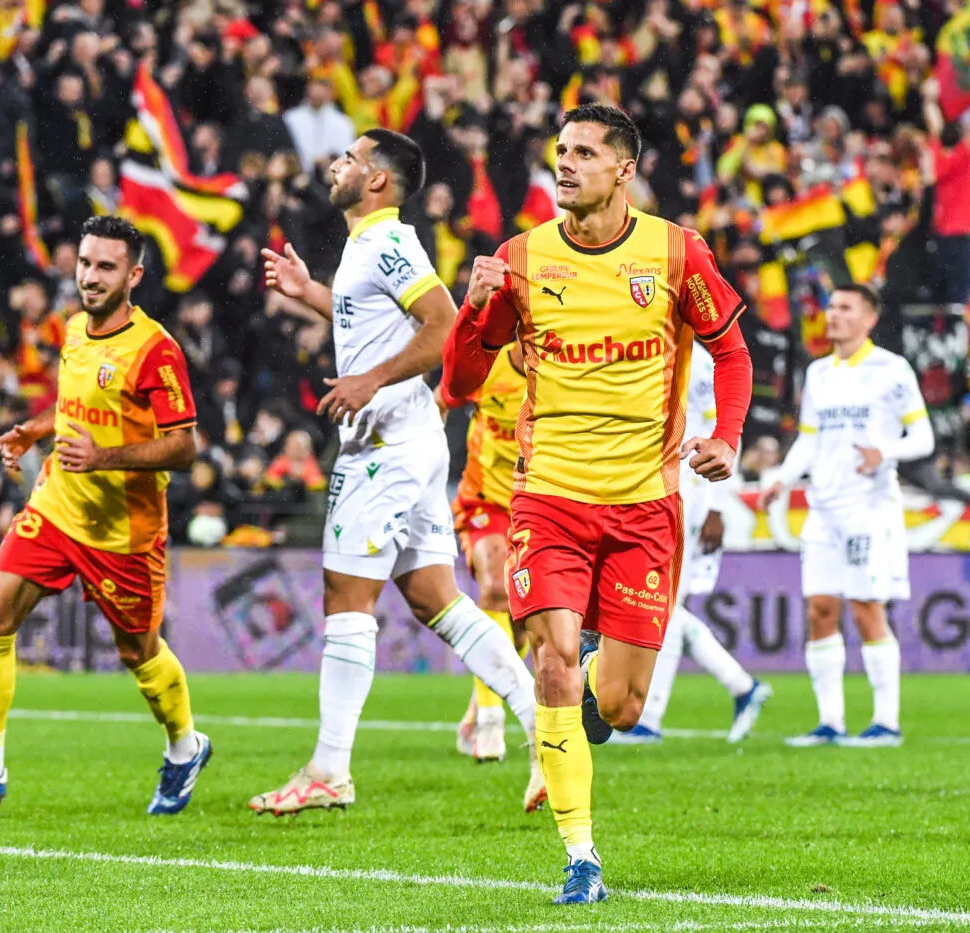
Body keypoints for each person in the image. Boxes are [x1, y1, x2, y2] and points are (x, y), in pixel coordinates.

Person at [442, 104, 754, 905]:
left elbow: (731, 346)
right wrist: (477, 308)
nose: (565, 163)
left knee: (617, 701)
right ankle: (581, 856)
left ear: (624, 169)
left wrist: (731, 434)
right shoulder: (519, 258)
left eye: (584, 152)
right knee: (548, 656)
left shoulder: (676, 251)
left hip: (646, 505)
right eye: (560, 151)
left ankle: (585, 689)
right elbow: (461, 384)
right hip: (548, 500)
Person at [251, 129, 543, 816]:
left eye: (351, 158)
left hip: (383, 442)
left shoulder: (387, 240)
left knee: (345, 595)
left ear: (378, 179)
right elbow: (374, 322)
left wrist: (368, 380)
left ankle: (329, 768)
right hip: (410, 439)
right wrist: (312, 296)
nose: (336, 165)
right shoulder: (367, 246)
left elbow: (444, 325)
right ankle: (544, 724)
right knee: (435, 598)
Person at [0, 216, 213, 815]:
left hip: (123, 530)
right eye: (84, 263)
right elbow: (74, 406)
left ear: (133, 275)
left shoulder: (156, 351)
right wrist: (35, 429)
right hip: (57, 505)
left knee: (139, 653)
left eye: (106, 267)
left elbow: (185, 446)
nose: (90, 276)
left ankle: (185, 746)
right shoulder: (75, 329)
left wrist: (104, 456)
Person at [757, 284, 933, 749]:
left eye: (844, 308)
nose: (832, 315)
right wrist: (781, 477)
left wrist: (885, 452)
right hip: (823, 508)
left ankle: (886, 723)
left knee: (866, 609)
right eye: (830, 307)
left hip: (868, 507)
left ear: (868, 318)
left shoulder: (891, 370)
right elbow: (810, 439)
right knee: (820, 609)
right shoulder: (818, 373)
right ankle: (830, 722)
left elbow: (924, 437)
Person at [610, 341, 772, 745]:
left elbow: (716, 431)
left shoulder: (698, 361)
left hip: (685, 495)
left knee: (658, 606)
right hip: (644, 493)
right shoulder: (644, 347)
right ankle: (741, 686)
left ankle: (649, 717)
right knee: (660, 605)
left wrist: (716, 503)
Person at [437, 341, 533, 766]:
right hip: (484, 500)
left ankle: (481, 701)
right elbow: (442, 398)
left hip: (538, 503)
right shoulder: (488, 366)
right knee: (495, 590)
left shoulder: (564, 371)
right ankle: (492, 721)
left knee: (528, 615)